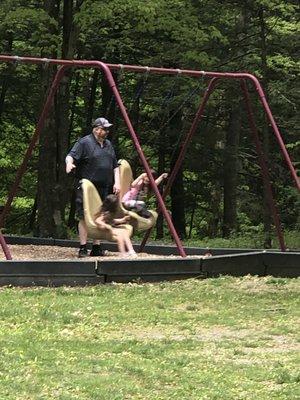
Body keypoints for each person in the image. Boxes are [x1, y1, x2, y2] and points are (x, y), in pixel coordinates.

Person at [66, 117, 120, 258]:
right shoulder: (84, 142)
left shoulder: (108, 144)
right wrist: (69, 164)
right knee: (83, 216)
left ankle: (96, 246)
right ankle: (83, 247)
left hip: (104, 186)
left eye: (108, 129)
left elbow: (115, 166)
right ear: (96, 129)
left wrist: (117, 182)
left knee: (100, 215)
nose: (107, 131)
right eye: (104, 129)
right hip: (86, 186)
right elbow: (70, 156)